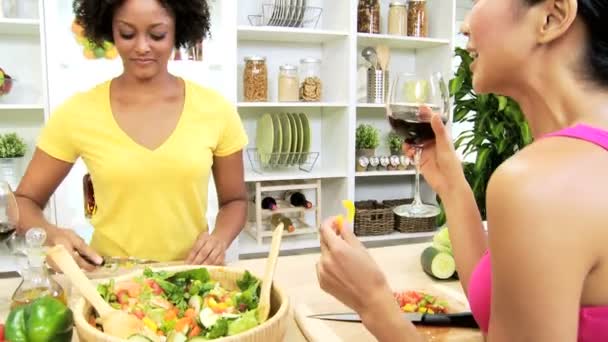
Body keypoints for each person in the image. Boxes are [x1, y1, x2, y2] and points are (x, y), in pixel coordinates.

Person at [316, 0, 608, 341]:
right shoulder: (575, 165)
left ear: (551, 16)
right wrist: (452, 187)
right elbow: (499, 309)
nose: (464, 24)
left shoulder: (544, 185)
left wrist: (374, 304)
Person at [14, 0, 248, 271]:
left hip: (189, 278)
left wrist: (218, 240)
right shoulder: (78, 112)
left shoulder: (215, 110)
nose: (141, 47)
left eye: (157, 35)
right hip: (110, 282)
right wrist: (52, 234)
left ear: (178, 30)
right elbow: (23, 202)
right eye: (127, 33)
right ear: (109, 30)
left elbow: (235, 201)